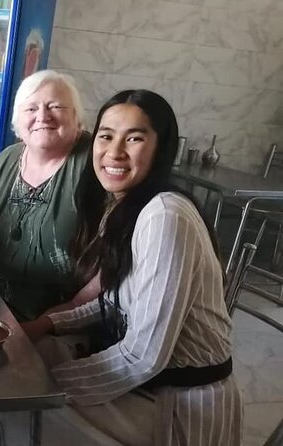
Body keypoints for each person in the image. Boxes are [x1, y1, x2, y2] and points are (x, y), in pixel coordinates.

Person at [22, 89, 242, 445]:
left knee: (25, 408)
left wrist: (49, 387)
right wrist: (45, 324)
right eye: (106, 136)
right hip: (155, 390)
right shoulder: (130, 208)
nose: (115, 151)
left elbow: (143, 357)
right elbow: (119, 298)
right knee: (39, 352)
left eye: (135, 138)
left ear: (161, 149)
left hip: (182, 409)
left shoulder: (166, 216)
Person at [0, 69, 91, 324]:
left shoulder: (93, 164)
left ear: (76, 117)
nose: (42, 116)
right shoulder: (9, 157)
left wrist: (49, 323)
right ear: (17, 122)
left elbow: (112, 260)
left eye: (55, 106)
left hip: (58, 317)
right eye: (31, 109)